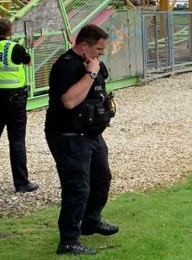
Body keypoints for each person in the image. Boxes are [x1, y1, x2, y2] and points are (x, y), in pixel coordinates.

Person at [45, 25, 118, 255]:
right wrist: (91, 74)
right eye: (98, 49)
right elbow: (69, 101)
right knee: (77, 188)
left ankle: (90, 220)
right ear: (83, 45)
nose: (100, 54)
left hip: (91, 134)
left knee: (101, 179)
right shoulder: (66, 66)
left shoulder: (92, 63)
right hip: (68, 136)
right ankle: (68, 240)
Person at [0, 18, 38, 193]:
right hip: (14, 101)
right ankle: (21, 183)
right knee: (16, 140)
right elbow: (28, 61)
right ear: (9, 31)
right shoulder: (14, 48)